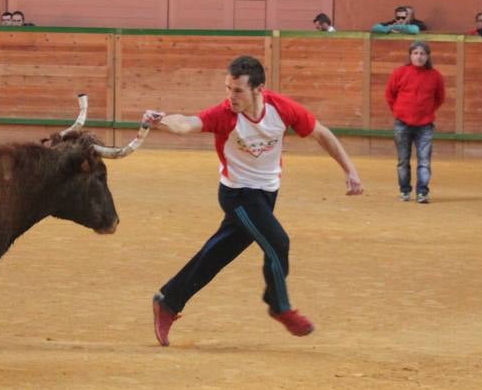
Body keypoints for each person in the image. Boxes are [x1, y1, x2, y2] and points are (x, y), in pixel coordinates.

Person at [148, 54, 364, 346]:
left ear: (258, 89)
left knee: (217, 254)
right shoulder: (225, 115)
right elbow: (187, 123)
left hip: (266, 194)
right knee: (278, 242)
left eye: (237, 90)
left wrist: (350, 171)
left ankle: (169, 301)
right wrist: (162, 120)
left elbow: (321, 134)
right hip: (237, 194)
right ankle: (279, 305)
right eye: (227, 88)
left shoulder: (282, 109)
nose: (230, 96)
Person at [385, 40, 445, 204]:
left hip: (425, 125)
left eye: (422, 54)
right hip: (402, 123)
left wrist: (428, 111)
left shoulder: (435, 76)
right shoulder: (400, 73)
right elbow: (390, 95)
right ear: (410, 55)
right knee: (403, 160)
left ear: (428, 56)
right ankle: (405, 190)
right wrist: (398, 111)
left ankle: (422, 192)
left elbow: (440, 98)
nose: (419, 57)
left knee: (424, 161)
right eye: (416, 53)